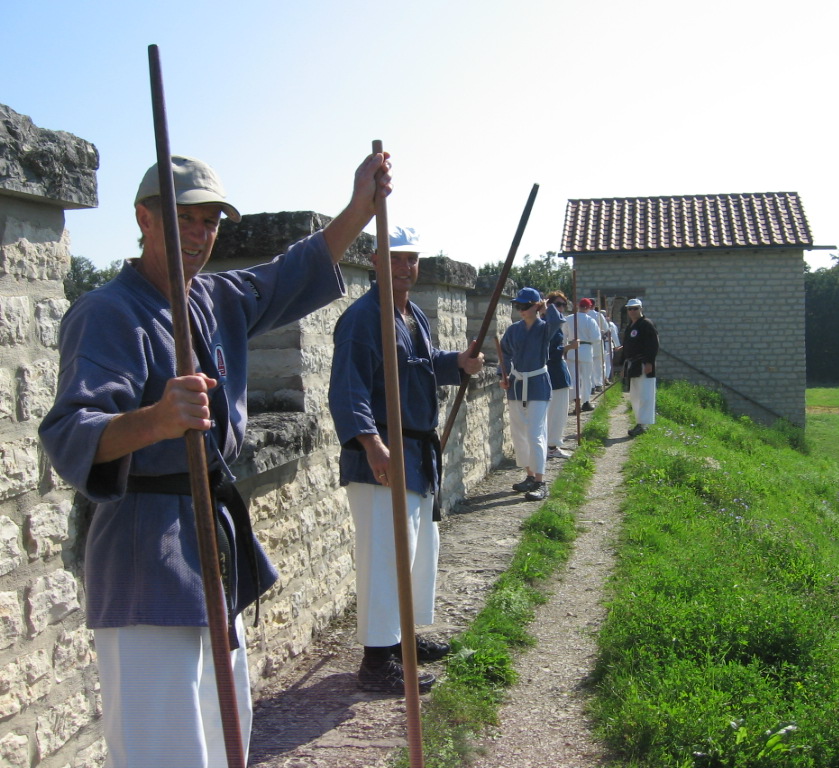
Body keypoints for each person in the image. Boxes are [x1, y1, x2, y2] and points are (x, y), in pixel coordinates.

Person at [38, 151, 390, 768]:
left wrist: (359, 211)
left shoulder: (215, 300)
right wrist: (154, 419)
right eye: (185, 219)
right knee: (166, 748)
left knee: (226, 737)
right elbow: (70, 431)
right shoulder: (107, 313)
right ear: (145, 219)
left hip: (211, 549)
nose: (199, 235)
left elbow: (288, 272)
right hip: (145, 558)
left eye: (211, 222)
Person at [328, 225, 484, 694]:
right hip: (381, 458)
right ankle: (376, 664)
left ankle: (400, 641)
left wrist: (458, 361)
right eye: (395, 258)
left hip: (416, 454)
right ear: (374, 260)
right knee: (385, 559)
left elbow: (423, 361)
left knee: (415, 556)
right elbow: (347, 390)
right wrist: (373, 445)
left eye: (412, 258)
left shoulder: (412, 313)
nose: (406, 267)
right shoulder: (361, 320)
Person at [499, 287, 564, 500]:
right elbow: (505, 353)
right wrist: (504, 375)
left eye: (525, 306)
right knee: (519, 433)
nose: (521, 310)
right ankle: (529, 474)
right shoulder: (514, 329)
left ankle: (540, 481)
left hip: (537, 384)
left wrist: (547, 308)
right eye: (518, 306)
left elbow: (557, 322)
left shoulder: (545, 328)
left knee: (536, 433)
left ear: (536, 306)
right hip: (517, 385)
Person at [545, 291, 577, 459]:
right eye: (558, 304)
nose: (561, 308)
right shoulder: (548, 324)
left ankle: (551, 445)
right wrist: (568, 348)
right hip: (553, 372)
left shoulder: (552, 324)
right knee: (556, 412)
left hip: (557, 371)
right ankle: (551, 447)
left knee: (558, 411)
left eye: (564, 305)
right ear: (549, 305)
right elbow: (549, 351)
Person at [621, 297, 660, 436]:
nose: (632, 311)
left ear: (640, 309)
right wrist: (623, 366)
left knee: (645, 395)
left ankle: (643, 424)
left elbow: (653, 344)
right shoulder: (630, 326)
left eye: (635, 308)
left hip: (644, 364)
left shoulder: (646, 324)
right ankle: (639, 421)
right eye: (630, 309)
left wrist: (649, 362)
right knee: (635, 396)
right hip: (633, 365)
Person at [564, 297, 601, 413]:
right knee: (586, 378)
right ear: (589, 308)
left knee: (574, 378)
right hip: (585, 350)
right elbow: (596, 338)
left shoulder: (568, 319)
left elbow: (563, 335)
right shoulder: (590, 321)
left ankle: (576, 401)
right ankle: (585, 402)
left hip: (572, 350)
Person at [600, 309, 621, 381]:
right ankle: (605, 377)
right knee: (607, 362)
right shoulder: (609, 324)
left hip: (602, 344)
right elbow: (615, 335)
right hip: (606, 343)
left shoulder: (598, 323)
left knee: (603, 362)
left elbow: (614, 334)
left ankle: (604, 378)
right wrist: (617, 345)